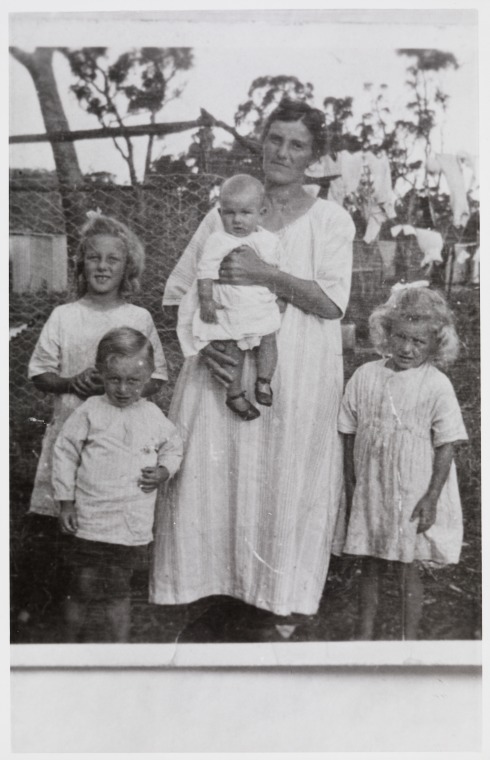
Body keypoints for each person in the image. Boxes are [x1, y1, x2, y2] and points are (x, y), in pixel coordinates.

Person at [150, 98, 355, 641]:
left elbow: (331, 303)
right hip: (222, 367)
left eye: (297, 145)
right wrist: (205, 349)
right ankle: (214, 592)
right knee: (215, 474)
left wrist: (266, 273)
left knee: (284, 478)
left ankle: (277, 603)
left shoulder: (331, 219)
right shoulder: (227, 210)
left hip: (299, 370)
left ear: (314, 156)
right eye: (275, 139)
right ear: (261, 142)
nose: (282, 152)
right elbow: (179, 292)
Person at [19, 213, 167, 627]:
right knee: (65, 523)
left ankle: (110, 605)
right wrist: (70, 382)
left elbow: (157, 377)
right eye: (93, 258)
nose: (102, 266)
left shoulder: (138, 317)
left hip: (120, 441)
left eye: (112, 259)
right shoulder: (65, 315)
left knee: (110, 525)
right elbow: (39, 372)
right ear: (81, 264)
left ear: (127, 267)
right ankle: (55, 613)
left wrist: (119, 389)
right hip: (72, 433)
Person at [337, 287, 467, 640]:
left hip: (412, 490)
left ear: (435, 344)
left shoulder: (436, 385)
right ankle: (364, 636)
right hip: (371, 487)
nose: (408, 349)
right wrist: (351, 484)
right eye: (401, 337)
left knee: (406, 567)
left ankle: (409, 640)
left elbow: (447, 444)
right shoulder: (366, 375)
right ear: (387, 332)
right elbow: (348, 432)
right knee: (370, 563)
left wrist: (432, 497)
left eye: (419, 341)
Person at [52, 327, 183, 642]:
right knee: (82, 586)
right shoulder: (90, 411)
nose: (123, 389)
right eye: (114, 379)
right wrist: (66, 502)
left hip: (129, 522)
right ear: (100, 373)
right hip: (90, 520)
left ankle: (119, 651)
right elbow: (65, 453)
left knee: (118, 588)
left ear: (148, 377)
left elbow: (173, 446)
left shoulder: (152, 415)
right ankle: (66, 651)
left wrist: (164, 471)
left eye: (133, 381)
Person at [178, 173, 285, 420]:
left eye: (246, 213)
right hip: (230, 303)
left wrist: (278, 296)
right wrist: (206, 301)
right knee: (230, 347)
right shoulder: (218, 240)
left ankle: (264, 381)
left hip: (258, 303)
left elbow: (276, 270)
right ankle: (234, 394)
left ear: (261, 213)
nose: (237, 220)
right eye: (229, 213)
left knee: (269, 338)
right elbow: (205, 272)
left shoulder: (269, 240)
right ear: (220, 213)